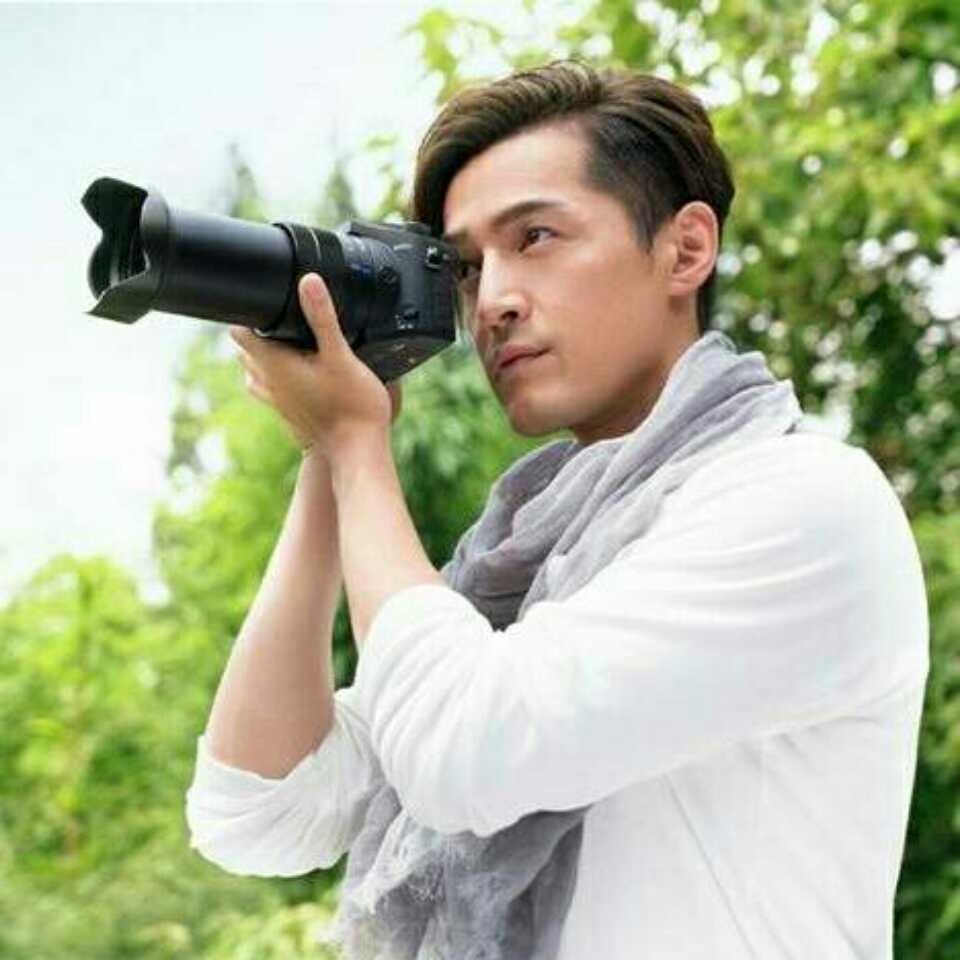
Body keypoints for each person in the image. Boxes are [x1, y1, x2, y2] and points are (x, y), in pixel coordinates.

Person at [185, 60, 930, 958]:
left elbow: (463, 749)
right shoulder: (532, 568)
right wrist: (329, 450)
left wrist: (354, 446)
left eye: (535, 236)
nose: (492, 301)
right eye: (468, 267)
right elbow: (257, 808)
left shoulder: (800, 501)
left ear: (686, 248)